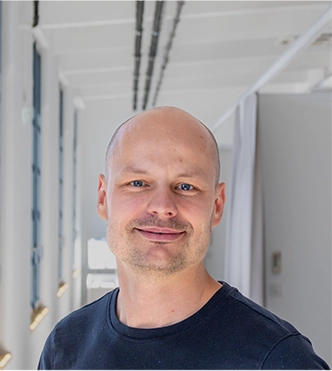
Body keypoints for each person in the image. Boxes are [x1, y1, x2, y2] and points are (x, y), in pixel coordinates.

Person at [38, 106, 330, 370]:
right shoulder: (66, 345)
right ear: (103, 198)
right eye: (138, 183)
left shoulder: (278, 360)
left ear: (217, 205)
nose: (163, 206)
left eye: (186, 186)